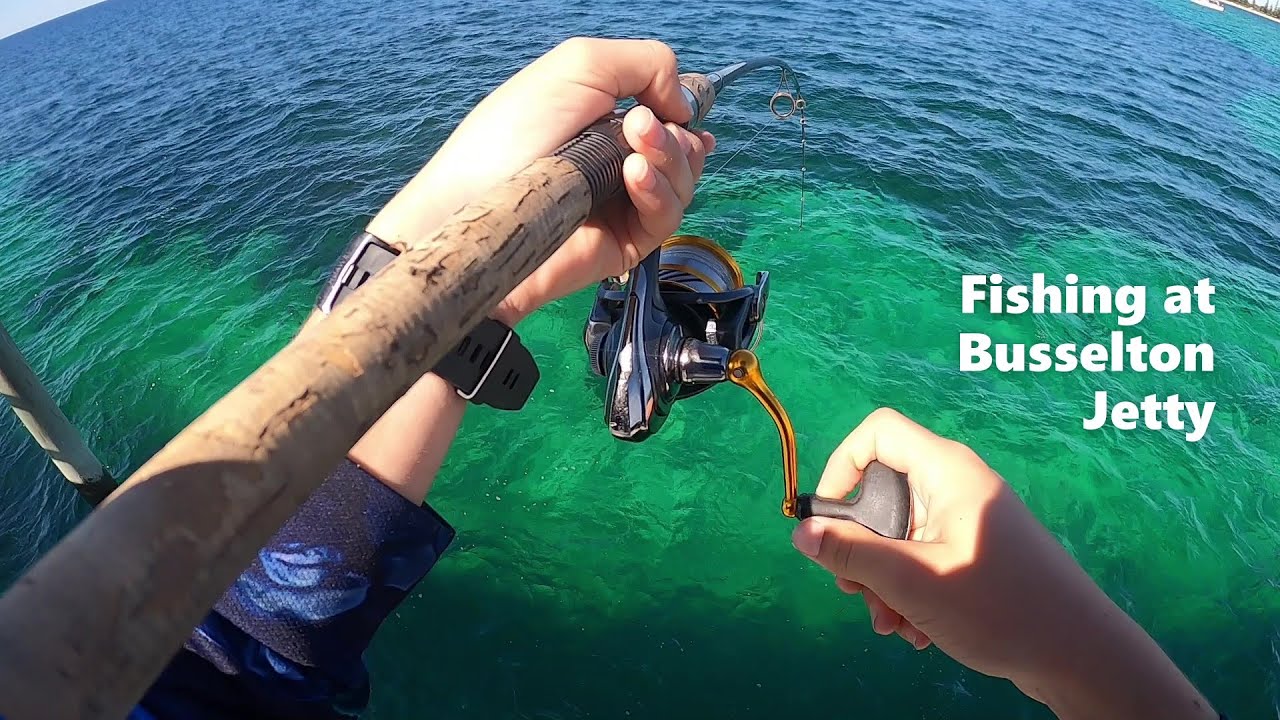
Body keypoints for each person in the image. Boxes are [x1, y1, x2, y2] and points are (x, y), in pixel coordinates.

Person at [132, 38, 1222, 720]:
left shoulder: (97, 666)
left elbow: (231, 661)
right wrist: (1068, 654)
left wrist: (445, 242)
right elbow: (232, 655)